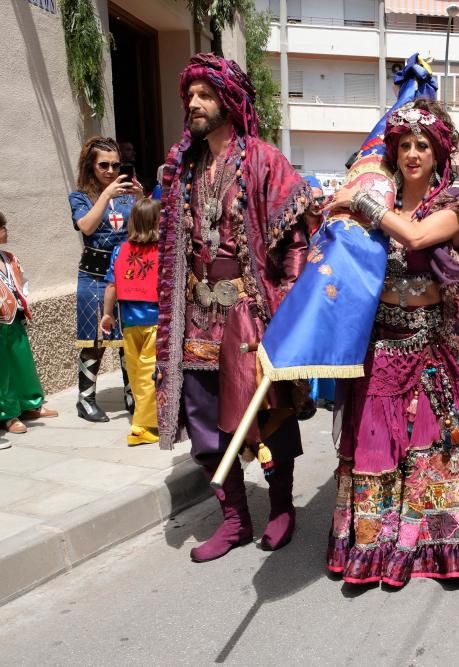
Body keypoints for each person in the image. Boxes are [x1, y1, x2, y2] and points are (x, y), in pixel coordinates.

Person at [324, 98, 459, 587]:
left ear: (439, 154)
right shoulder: (381, 203)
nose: (413, 154)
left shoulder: (455, 204)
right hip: (382, 341)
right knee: (377, 444)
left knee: (433, 445)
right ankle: (375, 545)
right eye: (404, 145)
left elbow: (417, 238)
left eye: (422, 145)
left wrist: (362, 204)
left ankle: (433, 546)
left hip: (432, 344)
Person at [156, 54, 312, 562]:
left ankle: (283, 507)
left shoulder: (266, 161)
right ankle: (235, 520)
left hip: (251, 314)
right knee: (204, 423)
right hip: (198, 317)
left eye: (204, 94)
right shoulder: (181, 170)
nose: (194, 104)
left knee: (269, 413)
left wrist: (285, 310)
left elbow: (296, 243)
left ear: (230, 99)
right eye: (190, 96)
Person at [69, 136, 142, 423]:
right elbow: (86, 226)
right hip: (94, 275)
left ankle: (132, 393)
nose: (111, 171)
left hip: (126, 274)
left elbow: (146, 225)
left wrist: (141, 198)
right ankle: (85, 399)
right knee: (93, 340)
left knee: (128, 337)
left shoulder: (125, 195)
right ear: (90, 165)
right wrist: (106, 196)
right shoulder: (79, 196)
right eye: (104, 165)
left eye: (115, 165)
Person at [98, 198, 161, 446]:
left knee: (135, 372)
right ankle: (142, 426)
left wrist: (107, 314)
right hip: (155, 321)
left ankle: (144, 417)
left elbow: (112, 285)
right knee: (149, 372)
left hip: (129, 322)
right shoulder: (164, 251)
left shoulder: (120, 250)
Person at [0, 210, 58, 440]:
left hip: (14, 316)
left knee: (22, 363)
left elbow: (21, 282)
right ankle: (7, 414)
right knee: (3, 371)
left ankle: (30, 402)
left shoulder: (9, 257)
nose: (6, 230)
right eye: (2, 227)